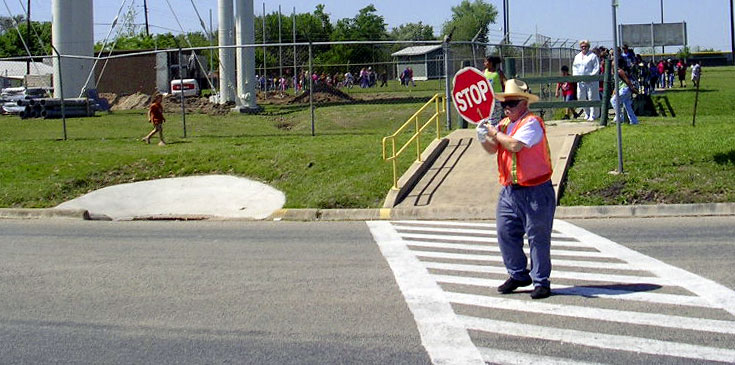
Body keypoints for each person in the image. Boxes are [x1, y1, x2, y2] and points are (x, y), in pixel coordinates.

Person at [475, 79, 555, 300]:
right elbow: (493, 149)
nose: (507, 107)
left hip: (536, 190)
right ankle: (518, 274)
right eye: (504, 104)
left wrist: (493, 131)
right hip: (510, 190)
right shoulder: (503, 125)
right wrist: (483, 136)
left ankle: (541, 281)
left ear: (524, 103)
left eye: (512, 103)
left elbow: (514, 145)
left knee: (537, 237)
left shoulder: (532, 123)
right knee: (505, 232)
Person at [572, 40, 600, 121]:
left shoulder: (593, 56)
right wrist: (576, 77)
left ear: (588, 47)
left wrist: (591, 77)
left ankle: (593, 115)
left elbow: (596, 68)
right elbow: (575, 68)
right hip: (580, 81)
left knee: (592, 97)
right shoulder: (577, 57)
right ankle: (587, 113)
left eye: (585, 46)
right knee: (581, 97)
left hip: (591, 81)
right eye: (582, 46)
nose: (584, 48)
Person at [611, 57, 640, 125]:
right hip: (623, 89)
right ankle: (634, 121)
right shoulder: (616, 71)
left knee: (613, 100)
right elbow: (617, 83)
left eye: (613, 62)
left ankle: (619, 116)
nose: (612, 63)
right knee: (627, 105)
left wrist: (632, 88)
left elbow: (627, 80)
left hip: (625, 89)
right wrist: (615, 90)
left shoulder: (620, 71)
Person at [483, 56, 507, 125]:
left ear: (491, 63)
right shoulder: (484, 72)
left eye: (486, 62)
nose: (484, 63)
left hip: (497, 97)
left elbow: (505, 81)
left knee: (496, 115)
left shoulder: (498, 73)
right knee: (488, 114)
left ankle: (496, 129)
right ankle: (490, 129)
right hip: (487, 97)